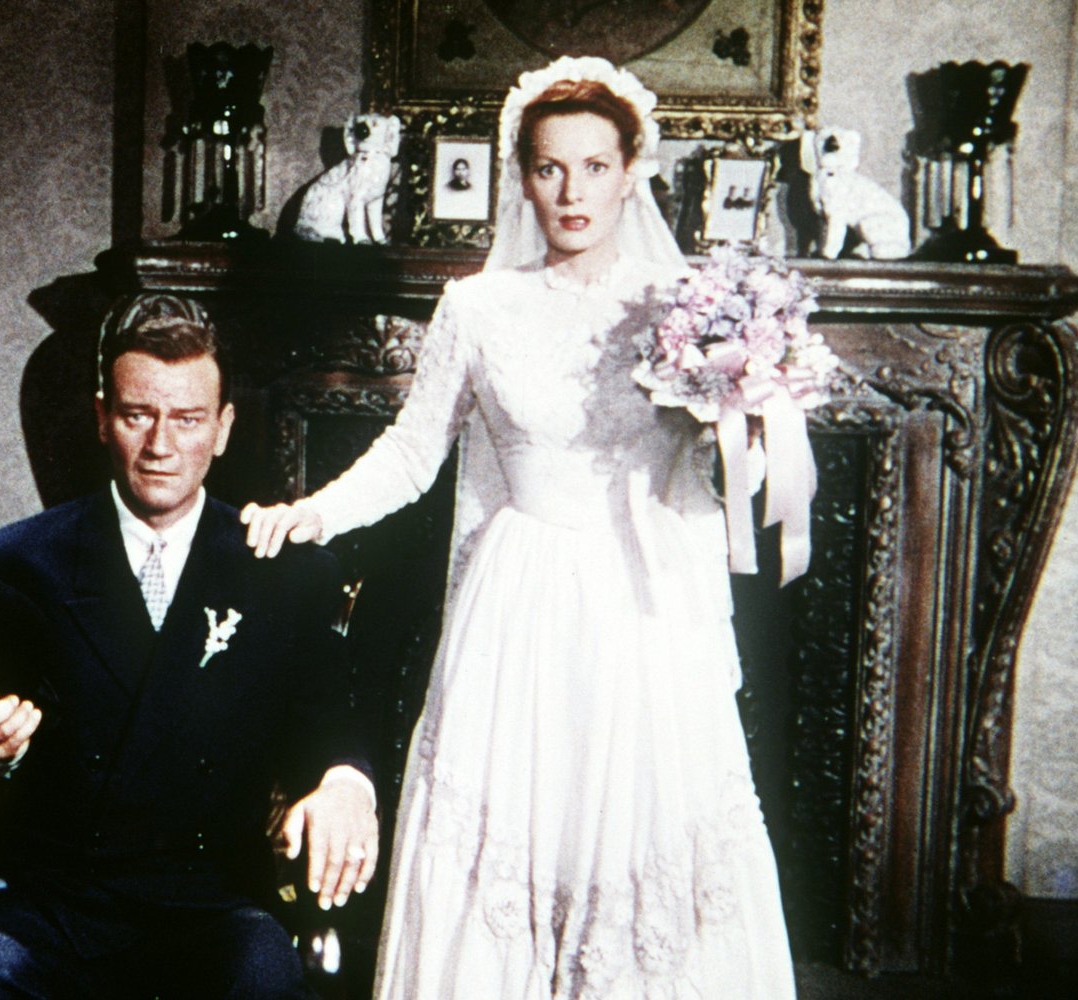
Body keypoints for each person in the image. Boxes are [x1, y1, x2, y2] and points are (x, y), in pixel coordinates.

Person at [242, 56, 796, 998]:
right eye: (548, 168)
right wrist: (313, 512)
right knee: (514, 830)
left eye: (593, 167)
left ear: (630, 173)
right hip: (520, 602)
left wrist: (746, 407)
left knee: (639, 833)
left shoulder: (684, 307)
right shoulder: (478, 307)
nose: (571, 192)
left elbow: (727, 462)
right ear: (522, 177)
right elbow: (412, 454)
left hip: (645, 604)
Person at [0, 295, 380, 999]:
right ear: (101, 417)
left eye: (187, 419)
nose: (161, 445)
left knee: (264, 978)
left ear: (223, 429)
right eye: (138, 415)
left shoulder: (281, 571)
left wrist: (346, 784)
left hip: (212, 904)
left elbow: (329, 726)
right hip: (50, 901)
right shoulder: (16, 563)